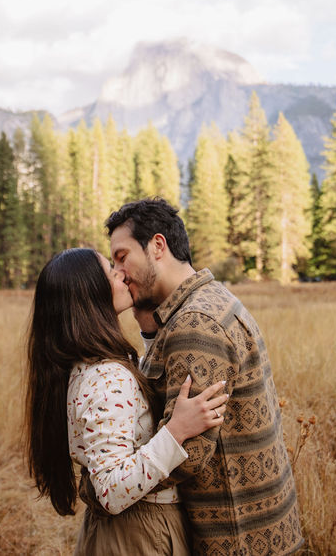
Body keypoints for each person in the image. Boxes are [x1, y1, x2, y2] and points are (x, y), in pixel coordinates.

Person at [106, 198, 305, 555]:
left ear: (157, 246)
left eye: (121, 257)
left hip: (235, 539)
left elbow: (187, 454)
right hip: (260, 533)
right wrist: (147, 326)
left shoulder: (194, 324)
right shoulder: (207, 300)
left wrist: (106, 485)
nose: (118, 273)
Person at [26, 247, 230, 555]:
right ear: (90, 295)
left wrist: (148, 326)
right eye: (110, 270)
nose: (121, 273)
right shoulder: (107, 378)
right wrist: (176, 431)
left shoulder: (88, 366)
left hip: (122, 531)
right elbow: (110, 490)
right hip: (137, 533)